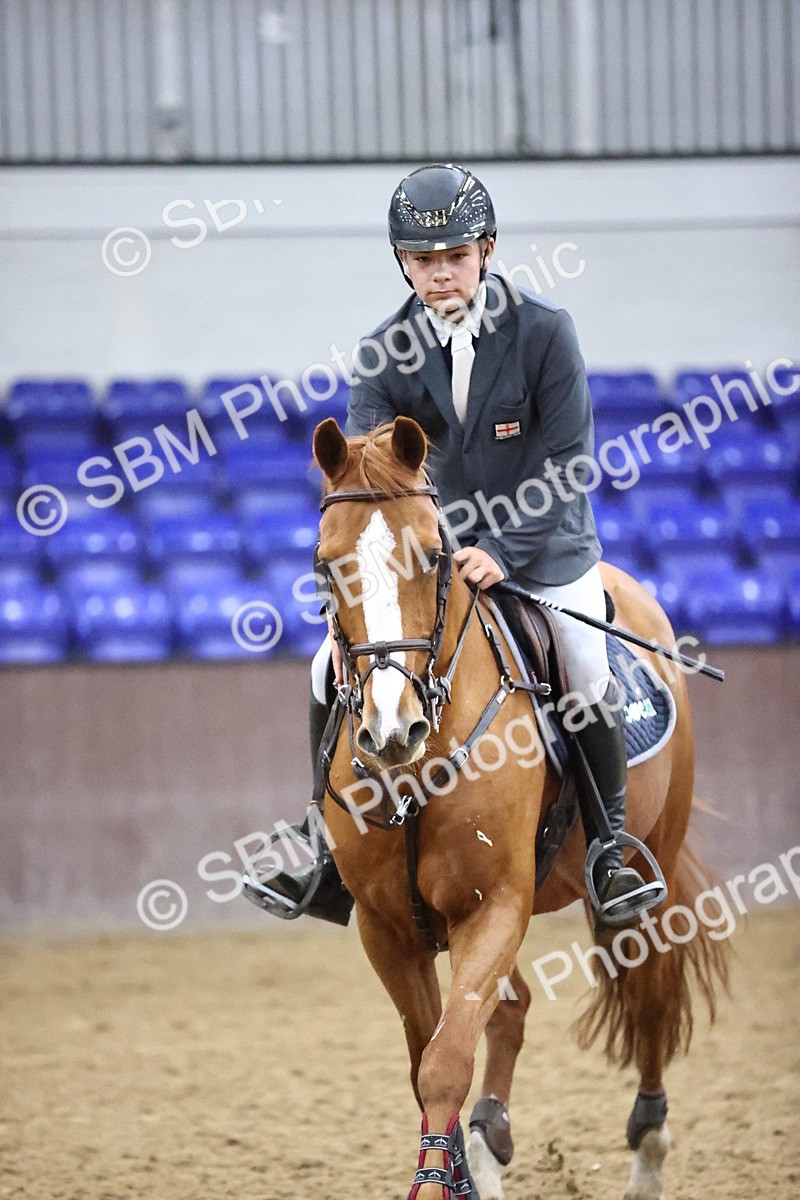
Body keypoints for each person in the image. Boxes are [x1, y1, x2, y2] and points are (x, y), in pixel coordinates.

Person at [247, 162, 650, 929]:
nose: (440, 274)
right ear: (403, 262)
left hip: (543, 547)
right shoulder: (382, 351)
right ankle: (326, 846)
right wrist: (425, 552)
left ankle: (608, 847)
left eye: (456, 257)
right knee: (324, 665)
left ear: (486, 250)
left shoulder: (544, 332)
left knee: (585, 662)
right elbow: (368, 473)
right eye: (424, 260)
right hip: (431, 560)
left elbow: (570, 463)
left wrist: (502, 548)